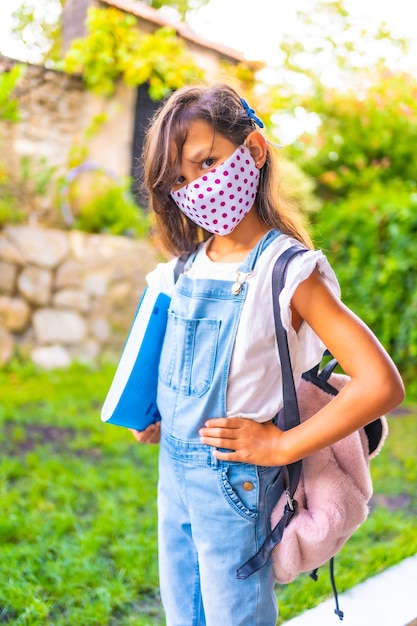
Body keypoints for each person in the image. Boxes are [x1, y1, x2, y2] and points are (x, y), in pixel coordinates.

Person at [129, 82, 404, 626]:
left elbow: (380, 384)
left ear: (252, 152)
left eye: (206, 163)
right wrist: (161, 412)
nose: (195, 188)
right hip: (173, 477)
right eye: (180, 179)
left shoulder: (287, 270)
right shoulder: (186, 266)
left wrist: (282, 447)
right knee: (184, 612)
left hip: (236, 482)